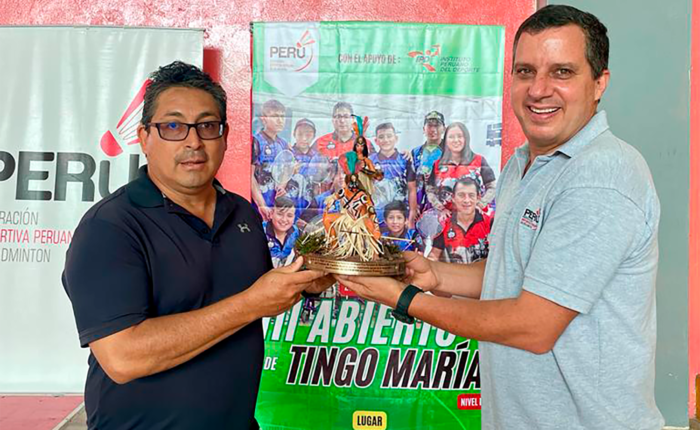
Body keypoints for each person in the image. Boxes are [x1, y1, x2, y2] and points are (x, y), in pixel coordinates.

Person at [337, 5, 664, 429]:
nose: (538, 90)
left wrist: (404, 299)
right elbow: (515, 273)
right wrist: (435, 275)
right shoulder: (525, 162)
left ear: (599, 83)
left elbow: (533, 326)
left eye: (562, 72)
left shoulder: (600, 175)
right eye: (525, 71)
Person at [62, 61, 331, 430]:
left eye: (207, 126)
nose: (193, 142)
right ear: (144, 137)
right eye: (173, 126)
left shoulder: (242, 213)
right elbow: (123, 357)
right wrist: (252, 303)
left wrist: (306, 282)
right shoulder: (110, 227)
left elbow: (255, 294)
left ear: (224, 136)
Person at [429, 178, 491, 264]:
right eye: (461, 195)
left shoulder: (489, 223)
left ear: (478, 198)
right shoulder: (444, 225)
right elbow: (433, 256)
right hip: (452, 272)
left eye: (471, 195)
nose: (466, 200)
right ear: (453, 198)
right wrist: (423, 262)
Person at [369, 122, 414, 226]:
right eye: (381, 137)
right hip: (377, 216)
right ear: (376, 141)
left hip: (399, 215)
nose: (386, 140)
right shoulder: (370, 161)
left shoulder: (405, 159)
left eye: (389, 136)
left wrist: (411, 214)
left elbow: (412, 189)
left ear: (396, 138)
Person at [251, 99, 290, 219]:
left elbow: (287, 170)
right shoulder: (256, 141)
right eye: (275, 116)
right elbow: (249, 176)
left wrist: (282, 186)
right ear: (263, 119)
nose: (280, 120)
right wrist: (261, 204)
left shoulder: (284, 144)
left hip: (276, 206)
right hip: (257, 205)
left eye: (282, 116)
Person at [407, 110, 445, 227]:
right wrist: (414, 207)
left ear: (443, 129)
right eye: (430, 126)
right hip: (421, 209)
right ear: (424, 129)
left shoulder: (451, 152)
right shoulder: (416, 152)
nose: (433, 129)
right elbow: (412, 184)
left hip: (444, 208)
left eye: (437, 126)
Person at [263, 196, 301, 267]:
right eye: (280, 214)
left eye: (289, 216)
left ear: (294, 217)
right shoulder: (261, 231)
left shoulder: (296, 232)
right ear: (271, 214)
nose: (284, 219)